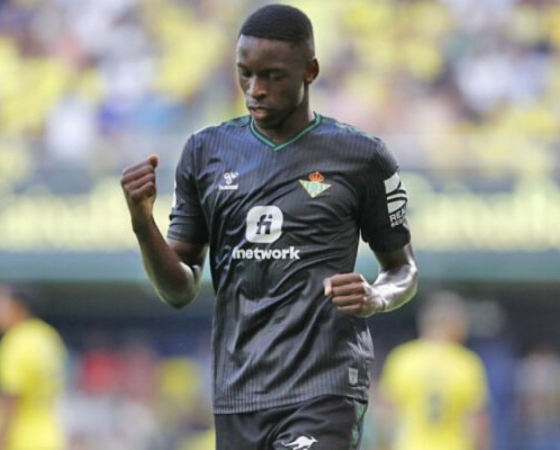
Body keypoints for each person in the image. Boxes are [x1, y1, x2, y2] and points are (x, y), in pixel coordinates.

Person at [120, 4, 418, 449]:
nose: (255, 90)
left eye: (273, 76)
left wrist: (377, 295)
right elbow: (179, 288)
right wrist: (143, 225)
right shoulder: (206, 152)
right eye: (245, 74)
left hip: (325, 386)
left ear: (310, 71)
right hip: (240, 390)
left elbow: (403, 270)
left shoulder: (361, 157)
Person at [379, 291, 490, 450]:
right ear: (452, 323)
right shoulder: (466, 363)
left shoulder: (403, 358)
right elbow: (477, 425)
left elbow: (386, 419)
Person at [0, 282, 68, 450]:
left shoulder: (14, 343)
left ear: (17, 307)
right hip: (53, 438)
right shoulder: (47, 336)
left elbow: (10, 403)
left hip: (23, 441)